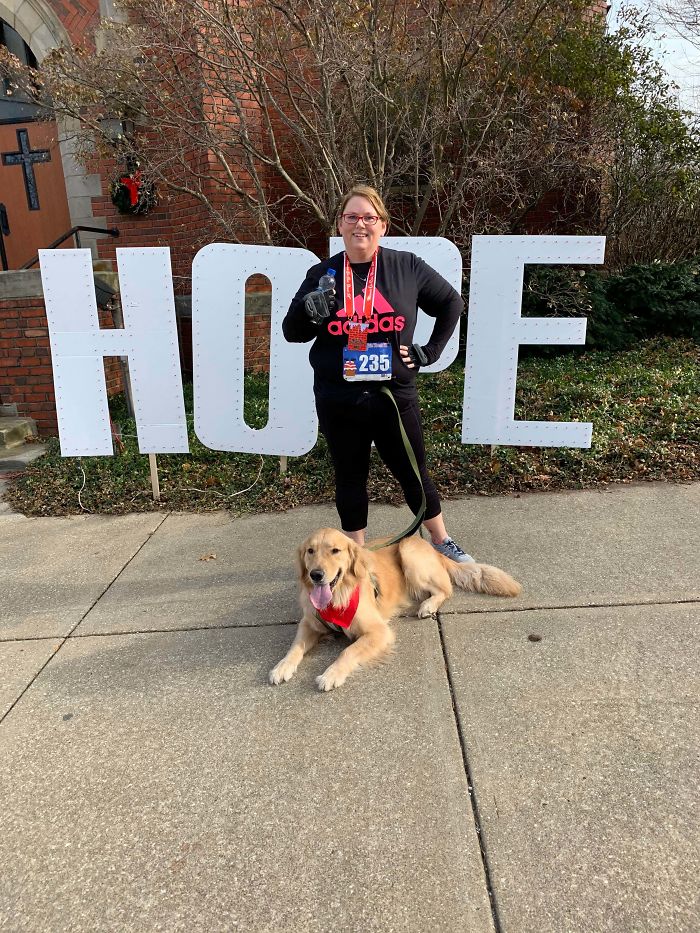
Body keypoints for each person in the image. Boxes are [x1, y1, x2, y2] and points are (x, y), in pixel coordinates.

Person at [282, 184, 473, 562]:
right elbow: (292, 332)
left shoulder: (406, 267)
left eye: (369, 217)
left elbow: (452, 302)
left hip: (393, 395)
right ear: (340, 224)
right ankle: (357, 555)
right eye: (352, 217)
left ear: (383, 225)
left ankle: (441, 540)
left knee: (413, 473)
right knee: (350, 478)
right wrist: (308, 309)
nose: (360, 225)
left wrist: (430, 352)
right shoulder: (322, 274)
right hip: (340, 397)